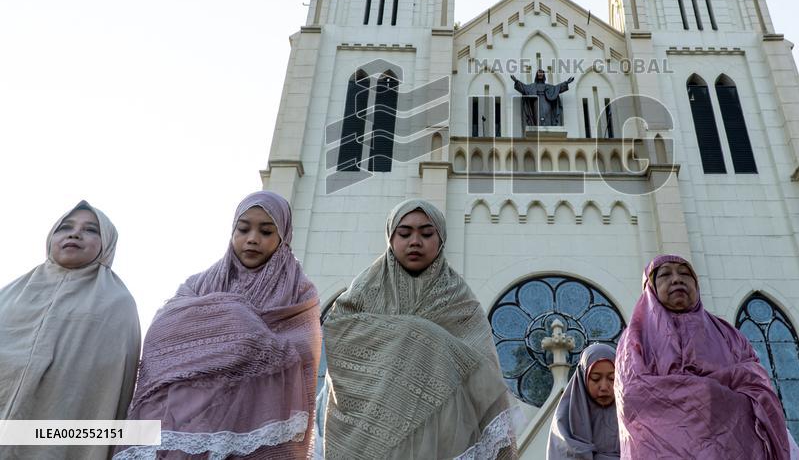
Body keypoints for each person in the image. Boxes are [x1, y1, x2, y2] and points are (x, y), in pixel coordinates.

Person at [114, 191, 321, 459]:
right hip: (185, 420)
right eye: (243, 229)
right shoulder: (198, 284)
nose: (252, 239)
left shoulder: (299, 292)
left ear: (283, 237)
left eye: (266, 231)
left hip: (255, 420)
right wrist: (238, 321)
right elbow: (161, 337)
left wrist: (230, 331)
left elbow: (300, 350)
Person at [323, 198, 518, 460]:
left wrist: (425, 339)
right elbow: (338, 334)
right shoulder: (365, 291)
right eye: (404, 233)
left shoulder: (459, 299)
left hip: (445, 436)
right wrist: (417, 333)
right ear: (390, 238)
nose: (415, 241)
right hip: (368, 431)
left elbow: (483, 369)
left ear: (441, 240)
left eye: (427, 233)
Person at [0, 201, 140, 460]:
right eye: (65, 227)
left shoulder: (116, 302)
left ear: (106, 244)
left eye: (90, 230)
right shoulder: (10, 295)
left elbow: (106, 385)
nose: (75, 234)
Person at [614, 255, 790, 459]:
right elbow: (633, 395)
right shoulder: (636, 338)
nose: (677, 279)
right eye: (664, 275)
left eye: (685, 274)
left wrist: (711, 397)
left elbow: (758, 386)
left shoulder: (727, 334)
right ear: (650, 288)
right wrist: (708, 393)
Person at [546, 343, 619, 460]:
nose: (604, 387)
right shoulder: (565, 420)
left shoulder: (633, 415)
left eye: (612, 378)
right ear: (582, 377)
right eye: (595, 378)